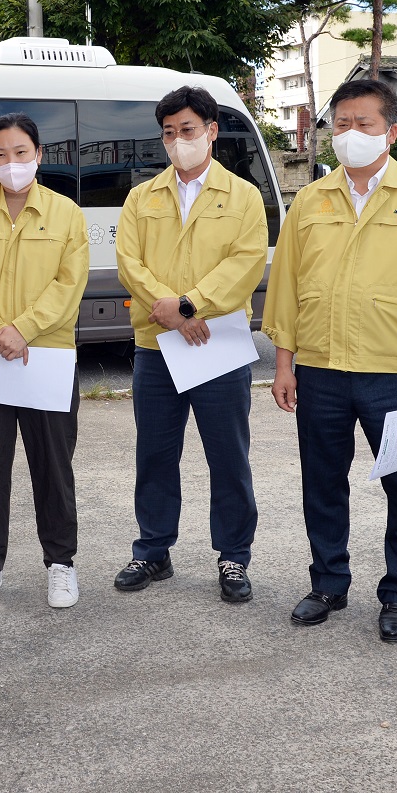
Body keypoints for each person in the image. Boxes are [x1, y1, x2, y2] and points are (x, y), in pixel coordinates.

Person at [264, 77, 397, 644]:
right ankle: (328, 582)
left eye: (365, 123)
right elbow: (286, 287)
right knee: (322, 483)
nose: (351, 134)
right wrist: (285, 363)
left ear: (392, 132)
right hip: (322, 370)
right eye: (343, 124)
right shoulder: (310, 202)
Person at [112, 86, 269, 604]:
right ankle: (153, 549)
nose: (179, 140)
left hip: (216, 346)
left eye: (188, 130)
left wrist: (189, 305)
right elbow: (129, 264)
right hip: (156, 348)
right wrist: (171, 311)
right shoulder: (142, 197)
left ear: (212, 132)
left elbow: (245, 263)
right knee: (155, 454)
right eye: (169, 132)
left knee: (227, 456)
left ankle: (233, 556)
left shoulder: (242, 195)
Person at [0, 113, 90, 610]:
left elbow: (69, 285)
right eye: (0, 155)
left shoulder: (66, 213)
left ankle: (61, 564)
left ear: (39, 154)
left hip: (44, 359)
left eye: (21, 152)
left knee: (53, 465)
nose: (12, 163)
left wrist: (22, 329)